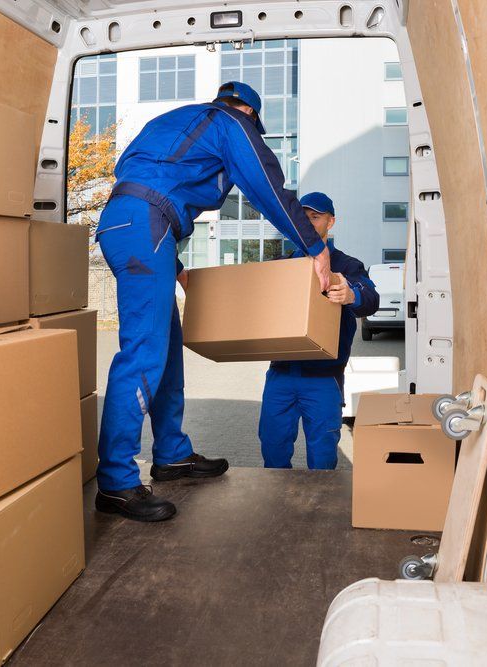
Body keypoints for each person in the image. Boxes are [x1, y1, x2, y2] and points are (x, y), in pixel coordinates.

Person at [95, 81, 333, 522]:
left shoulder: (174, 121)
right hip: (147, 224)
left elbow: (143, 179)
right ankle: (115, 481)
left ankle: (171, 454)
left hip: (128, 223)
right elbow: (267, 186)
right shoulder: (231, 123)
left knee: (166, 349)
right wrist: (314, 247)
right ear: (249, 113)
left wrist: (172, 262)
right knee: (143, 353)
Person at [258, 192, 380, 470]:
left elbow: (371, 299)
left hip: (324, 378)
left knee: (322, 456)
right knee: (273, 447)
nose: (309, 223)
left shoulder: (347, 266)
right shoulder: (283, 265)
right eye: (303, 218)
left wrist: (352, 295)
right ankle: (276, 497)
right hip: (281, 374)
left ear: (330, 222)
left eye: (315, 217)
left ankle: (320, 500)